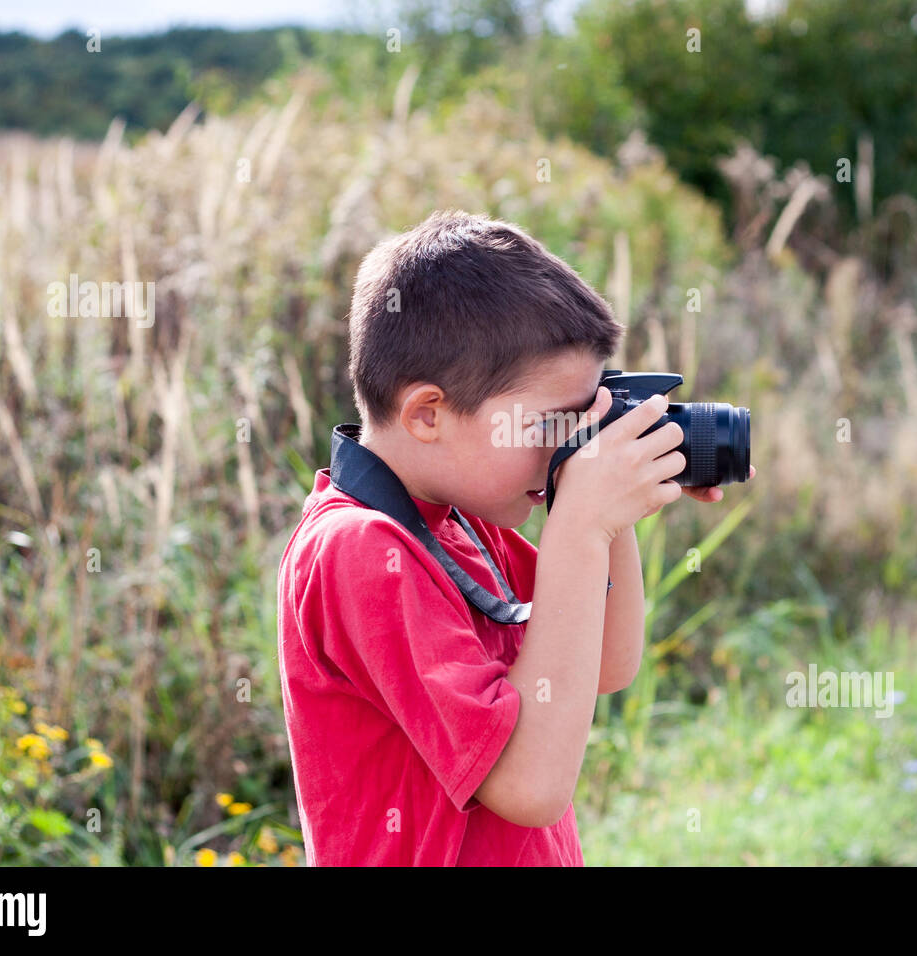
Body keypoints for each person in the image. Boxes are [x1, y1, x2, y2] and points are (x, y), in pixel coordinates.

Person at [276, 208, 741, 865]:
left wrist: (605, 499)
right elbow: (530, 785)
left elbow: (608, 661)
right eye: (551, 425)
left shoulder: (465, 520)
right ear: (428, 414)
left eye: (580, 420)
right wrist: (580, 524)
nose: (567, 444)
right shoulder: (358, 550)